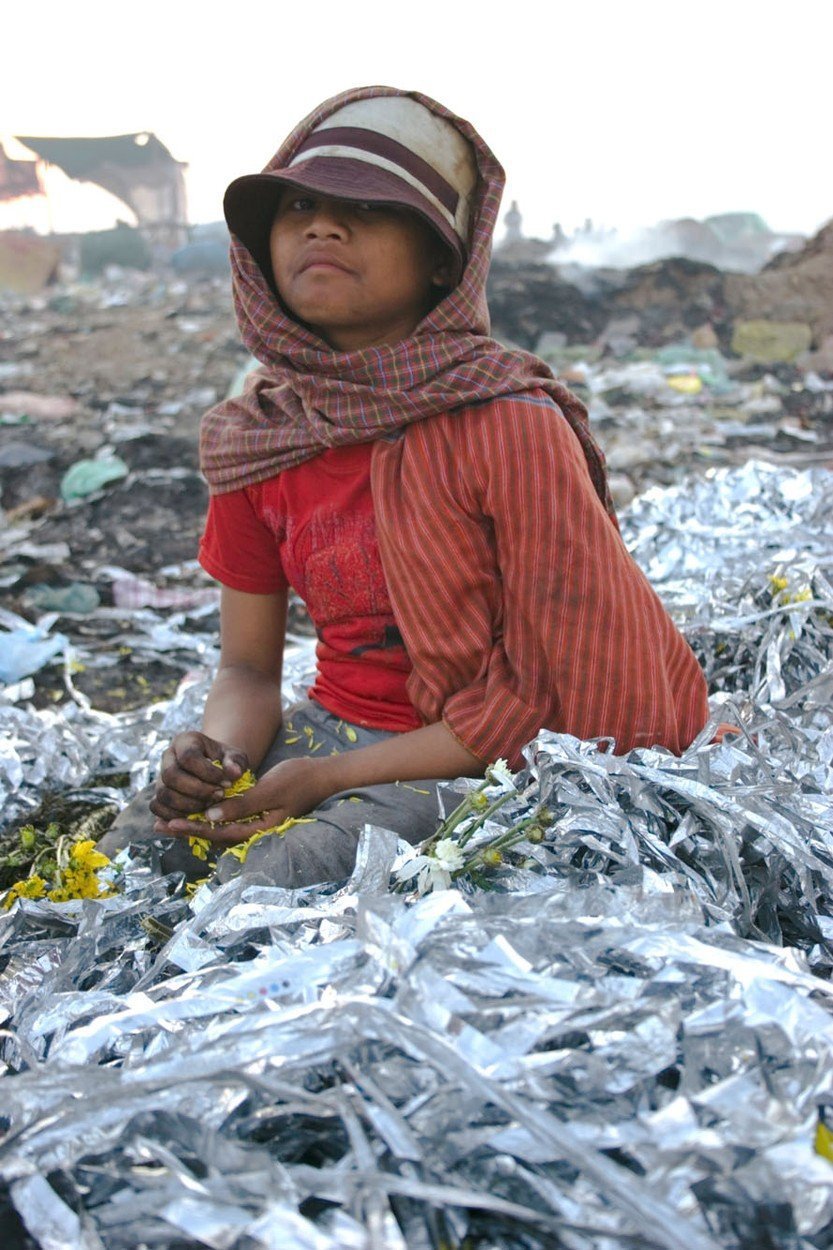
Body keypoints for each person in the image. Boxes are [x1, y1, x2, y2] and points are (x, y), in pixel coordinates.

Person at [98, 86, 708, 889]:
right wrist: (218, 761)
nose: (321, 225)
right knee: (130, 857)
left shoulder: (507, 427)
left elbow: (546, 696)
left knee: (262, 892)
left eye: (367, 209)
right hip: (331, 731)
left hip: (479, 751)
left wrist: (326, 780)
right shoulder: (257, 437)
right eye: (299, 205)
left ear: (440, 265)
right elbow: (247, 670)